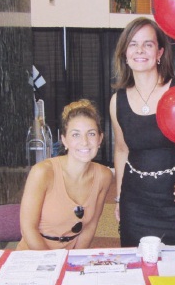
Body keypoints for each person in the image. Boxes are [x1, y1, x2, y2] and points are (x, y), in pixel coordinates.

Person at [110, 17, 175, 247]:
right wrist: (119, 198)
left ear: (159, 53)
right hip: (135, 204)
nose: (140, 50)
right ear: (125, 53)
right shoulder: (117, 101)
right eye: (133, 44)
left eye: (148, 44)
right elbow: (121, 149)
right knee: (137, 273)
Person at [17, 99, 113, 250]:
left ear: (100, 139)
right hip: (34, 255)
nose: (85, 142)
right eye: (75, 135)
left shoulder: (104, 176)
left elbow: (90, 225)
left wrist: (75, 262)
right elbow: (28, 229)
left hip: (71, 256)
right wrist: (53, 264)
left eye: (91, 134)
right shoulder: (43, 172)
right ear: (64, 140)